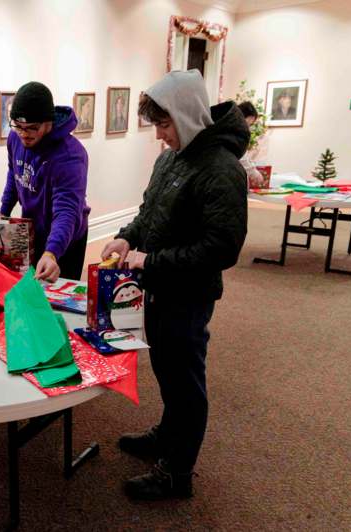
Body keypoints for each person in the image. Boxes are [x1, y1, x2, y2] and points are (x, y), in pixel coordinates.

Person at [100, 70, 248, 500]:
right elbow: (149, 214)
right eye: (158, 126)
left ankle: (177, 472)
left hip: (189, 295)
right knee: (166, 370)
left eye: (165, 125)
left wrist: (153, 260)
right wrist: (128, 235)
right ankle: (167, 436)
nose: (161, 136)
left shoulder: (223, 169)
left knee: (185, 382)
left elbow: (222, 248)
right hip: (159, 289)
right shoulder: (170, 159)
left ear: (186, 115)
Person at [1, 81, 90, 282]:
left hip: (66, 237)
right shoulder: (15, 139)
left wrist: (52, 253)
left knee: (57, 300)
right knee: (31, 293)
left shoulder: (71, 156)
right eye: (18, 126)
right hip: (33, 230)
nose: (24, 134)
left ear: (48, 123)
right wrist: (3, 214)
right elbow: (14, 175)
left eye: (32, 128)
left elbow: (67, 210)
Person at [237, 101, 267, 188]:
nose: (248, 128)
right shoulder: (235, 132)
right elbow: (241, 157)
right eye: (248, 124)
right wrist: (254, 172)